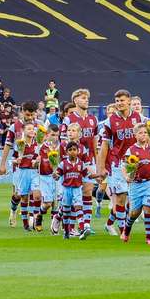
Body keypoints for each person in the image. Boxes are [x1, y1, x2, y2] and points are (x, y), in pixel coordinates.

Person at [96, 89, 145, 235]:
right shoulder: (110, 122)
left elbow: (146, 139)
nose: (119, 103)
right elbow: (104, 146)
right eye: (117, 101)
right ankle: (124, 231)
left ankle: (110, 223)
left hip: (136, 164)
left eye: (122, 100)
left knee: (132, 202)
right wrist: (101, 168)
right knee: (121, 198)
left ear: (129, 101)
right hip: (117, 164)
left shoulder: (140, 118)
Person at [62, 89, 98, 233]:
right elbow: (64, 141)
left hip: (88, 160)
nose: (86, 100)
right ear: (75, 100)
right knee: (72, 194)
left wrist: (97, 162)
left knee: (88, 191)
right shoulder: (69, 119)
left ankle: (86, 225)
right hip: (73, 162)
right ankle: (69, 226)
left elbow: (95, 143)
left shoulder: (92, 119)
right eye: (83, 98)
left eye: (87, 98)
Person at [121, 123, 150, 244]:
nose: (143, 135)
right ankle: (126, 229)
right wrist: (126, 176)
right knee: (135, 212)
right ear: (135, 135)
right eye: (140, 133)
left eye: (145, 132)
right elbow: (124, 166)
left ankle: (149, 237)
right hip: (136, 184)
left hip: (149, 183)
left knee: (149, 208)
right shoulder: (131, 150)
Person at [55, 141, 86, 239]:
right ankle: (67, 231)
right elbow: (57, 175)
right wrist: (55, 175)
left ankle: (82, 229)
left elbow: (87, 175)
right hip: (66, 189)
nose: (72, 152)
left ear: (78, 151)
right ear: (66, 152)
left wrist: (98, 176)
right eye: (70, 150)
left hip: (77, 189)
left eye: (74, 150)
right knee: (66, 211)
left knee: (78, 207)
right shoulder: (63, 164)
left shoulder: (81, 164)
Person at [35, 124, 60, 235]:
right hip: (44, 177)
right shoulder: (41, 147)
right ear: (47, 134)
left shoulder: (61, 147)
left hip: (57, 178)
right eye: (52, 135)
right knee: (48, 203)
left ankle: (53, 227)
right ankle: (39, 215)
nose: (55, 137)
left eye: (57, 135)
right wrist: (36, 161)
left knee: (56, 203)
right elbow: (34, 162)